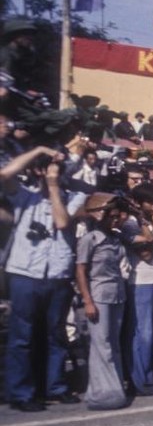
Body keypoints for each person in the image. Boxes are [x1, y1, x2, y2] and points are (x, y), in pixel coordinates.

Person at [3, 146, 86, 411]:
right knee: (22, 336)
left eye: (58, 170)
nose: (53, 174)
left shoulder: (73, 197)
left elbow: (61, 222)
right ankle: (21, 393)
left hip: (58, 275)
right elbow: (4, 174)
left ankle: (55, 386)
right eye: (47, 168)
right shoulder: (24, 196)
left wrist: (53, 186)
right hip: (25, 274)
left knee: (56, 334)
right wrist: (38, 149)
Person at [75, 192, 130, 410]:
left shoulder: (116, 238)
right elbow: (80, 270)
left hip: (117, 294)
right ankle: (103, 394)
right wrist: (87, 300)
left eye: (118, 216)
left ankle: (113, 389)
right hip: (98, 296)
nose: (117, 219)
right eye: (112, 216)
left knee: (113, 344)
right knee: (101, 345)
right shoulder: (90, 239)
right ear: (102, 216)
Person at [122, 182, 153, 397]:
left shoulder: (151, 220)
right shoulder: (131, 223)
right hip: (140, 281)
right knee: (144, 332)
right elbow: (146, 254)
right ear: (138, 204)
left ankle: (151, 374)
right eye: (150, 202)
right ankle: (139, 380)